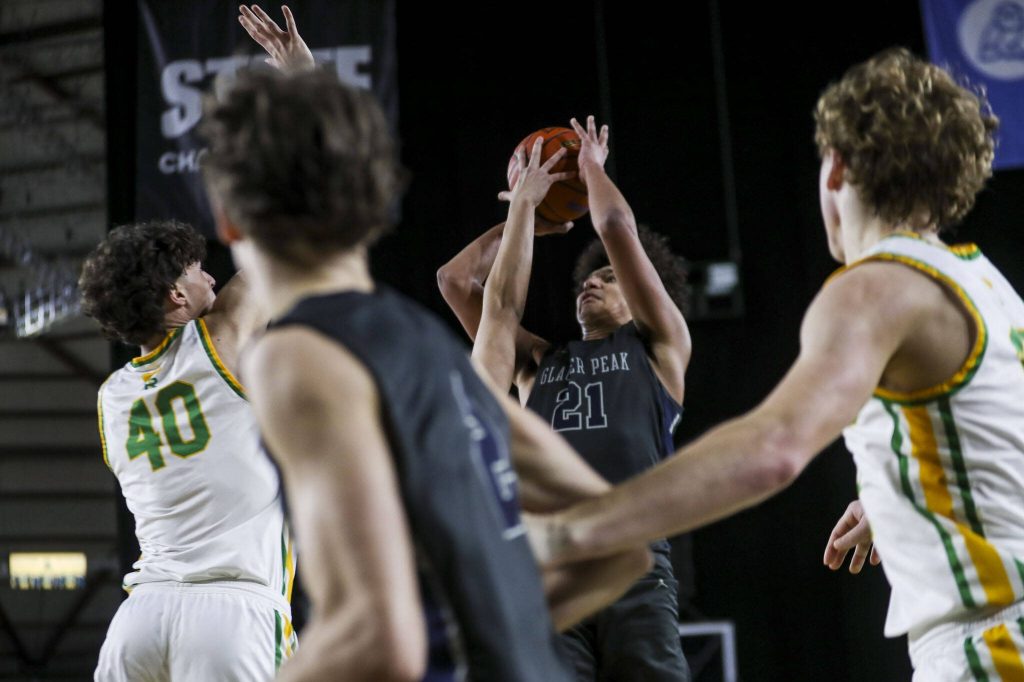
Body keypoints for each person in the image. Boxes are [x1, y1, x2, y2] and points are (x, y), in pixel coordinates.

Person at [529, 48, 1024, 680]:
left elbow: (773, 448)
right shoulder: (985, 282)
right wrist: (901, 492)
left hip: (989, 647)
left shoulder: (872, 286)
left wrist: (579, 531)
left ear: (835, 169)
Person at [200, 43, 654, 678]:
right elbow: (618, 548)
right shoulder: (427, 347)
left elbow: (377, 636)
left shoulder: (295, 356)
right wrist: (485, 629)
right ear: (371, 203)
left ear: (227, 220)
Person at [438, 117, 692, 680]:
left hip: (634, 563)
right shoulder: (537, 362)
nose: (591, 283)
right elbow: (457, 282)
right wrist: (522, 217)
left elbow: (615, 223)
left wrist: (591, 169)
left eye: (607, 277)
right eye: (587, 278)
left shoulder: (659, 348)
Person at [80, 219, 295, 681]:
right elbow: (275, 251)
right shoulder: (218, 340)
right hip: (232, 613)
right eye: (198, 270)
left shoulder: (111, 397)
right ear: (177, 294)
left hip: (139, 621)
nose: (211, 278)